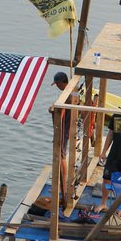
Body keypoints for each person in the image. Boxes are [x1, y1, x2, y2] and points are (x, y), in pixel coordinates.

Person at [52, 70, 80, 209]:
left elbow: (61, 113)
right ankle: (64, 175)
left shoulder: (67, 95)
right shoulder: (74, 91)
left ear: (62, 83)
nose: (57, 86)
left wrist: (53, 110)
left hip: (64, 129)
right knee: (63, 151)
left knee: (61, 153)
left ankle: (64, 177)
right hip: (71, 127)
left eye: (57, 84)